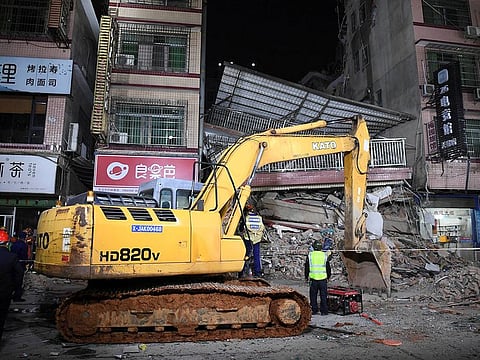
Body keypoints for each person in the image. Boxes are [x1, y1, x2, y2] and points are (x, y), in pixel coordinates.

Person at [0, 228, 24, 341]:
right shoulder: (11, 257)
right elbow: (19, 274)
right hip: (4, 293)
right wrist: (17, 291)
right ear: (7, 243)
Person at [304, 239, 331, 315]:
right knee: (323, 296)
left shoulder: (310, 255)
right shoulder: (324, 255)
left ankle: (314, 310)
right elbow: (328, 267)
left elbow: (307, 267)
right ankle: (324, 311)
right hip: (323, 279)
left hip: (313, 279)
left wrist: (306, 277)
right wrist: (328, 276)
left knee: (313, 296)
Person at [240, 203, 265, 277]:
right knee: (256, 256)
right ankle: (258, 273)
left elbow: (241, 229)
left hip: (248, 239)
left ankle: (242, 273)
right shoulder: (259, 218)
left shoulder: (246, 218)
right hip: (257, 239)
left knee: (246, 255)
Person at [9, 235, 28, 301]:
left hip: (12, 264)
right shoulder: (24, 245)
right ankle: (16, 297)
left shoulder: (14, 245)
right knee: (19, 282)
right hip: (20, 264)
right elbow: (24, 255)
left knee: (12, 280)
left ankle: (11, 294)